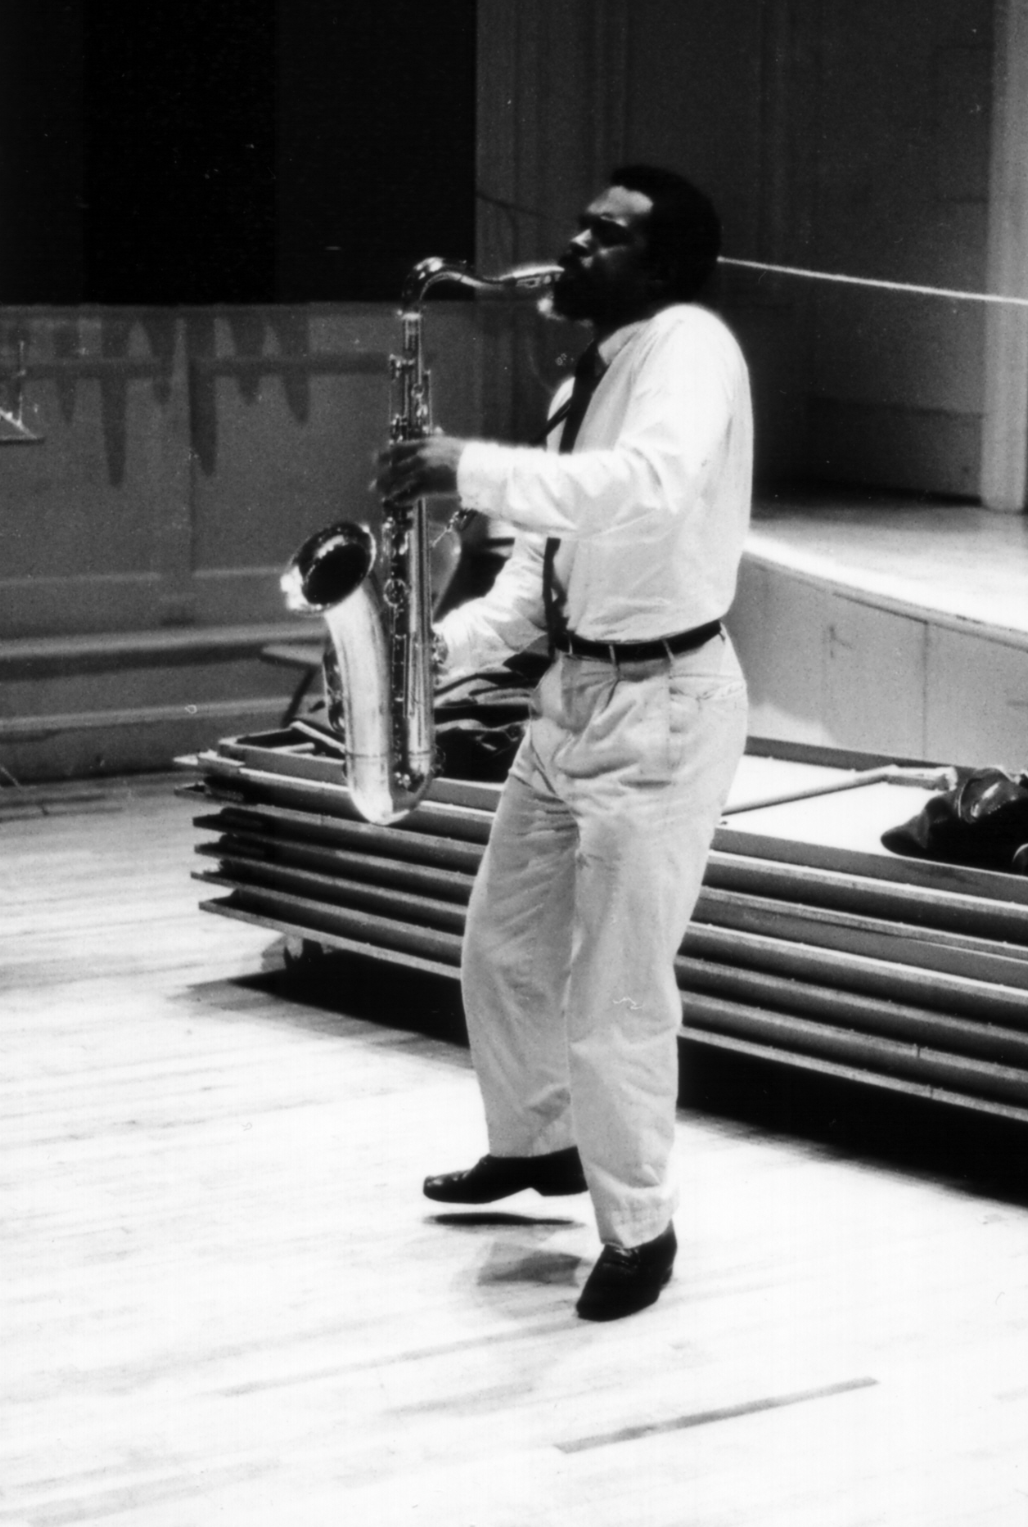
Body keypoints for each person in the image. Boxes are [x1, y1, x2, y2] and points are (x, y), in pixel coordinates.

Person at [375, 164, 753, 1321]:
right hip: (575, 696)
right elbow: (538, 575)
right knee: (499, 949)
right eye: (582, 227)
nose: (575, 246)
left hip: (665, 704)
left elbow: (645, 488)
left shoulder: (689, 347)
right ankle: (538, 1143)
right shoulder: (590, 377)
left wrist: (465, 465)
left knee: (616, 993)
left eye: (607, 234)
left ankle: (640, 1228)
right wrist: (429, 653)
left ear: (665, 264)